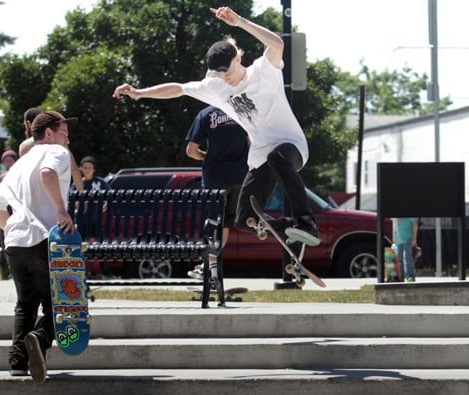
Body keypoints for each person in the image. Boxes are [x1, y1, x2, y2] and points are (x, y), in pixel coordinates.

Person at [112, 5, 320, 246]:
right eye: (219, 74)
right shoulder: (215, 88)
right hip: (261, 157)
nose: (226, 78)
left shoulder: (263, 71)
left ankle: (307, 223)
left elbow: (277, 44)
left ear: (238, 59)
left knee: (277, 158)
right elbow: (178, 88)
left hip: (291, 146)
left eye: (228, 71)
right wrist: (139, 93)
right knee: (244, 219)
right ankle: (288, 230)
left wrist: (241, 22)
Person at [0, 111, 78, 384]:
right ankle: (39, 338)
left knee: (25, 303)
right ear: (48, 133)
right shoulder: (56, 152)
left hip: (14, 242)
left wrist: (13, 229)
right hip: (45, 238)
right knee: (56, 303)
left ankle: (17, 361)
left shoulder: (19, 164)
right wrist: (62, 211)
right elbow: (48, 173)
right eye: (63, 132)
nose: (67, 139)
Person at [185, 105, 249, 282]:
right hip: (238, 177)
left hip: (214, 177)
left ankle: (209, 269)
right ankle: (212, 270)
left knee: (213, 224)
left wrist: (208, 156)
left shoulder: (205, 114)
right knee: (225, 224)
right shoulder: (242, 110)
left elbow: (191, 150)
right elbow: (252, 142)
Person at [392, 217, 419, 282]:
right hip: (399, 240)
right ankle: (401, 276)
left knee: (407, 257)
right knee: (399, 259)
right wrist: (394, 237)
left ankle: (410, 276)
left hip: (408, 239)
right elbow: (394, 224)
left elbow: (415, 224)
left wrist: (414, 239)